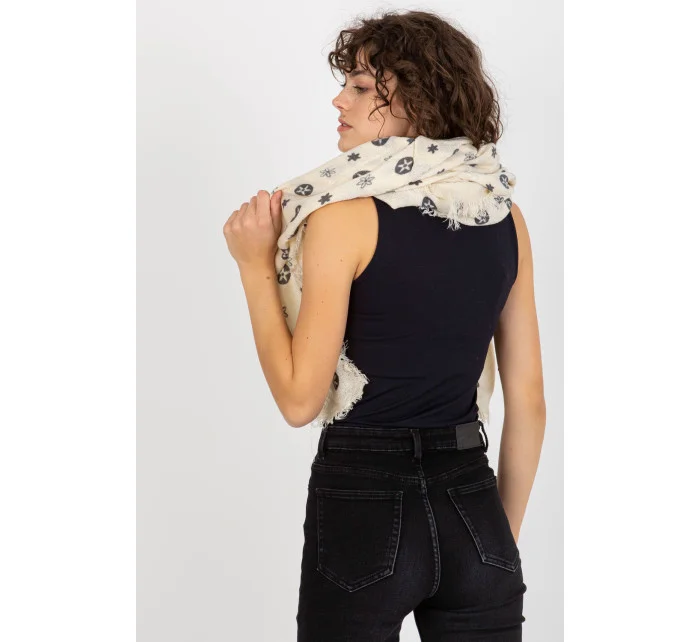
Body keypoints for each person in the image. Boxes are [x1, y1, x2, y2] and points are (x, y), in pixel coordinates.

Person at [225, 9, 546, 641]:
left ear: (419, 101)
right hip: (473, 499)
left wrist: (255, 267)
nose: (339, 99)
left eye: (363, 87)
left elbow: (299, 400)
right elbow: (529, 402)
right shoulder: (505, 216)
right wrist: (496, 547)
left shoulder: (340, 218)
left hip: (362, 497)